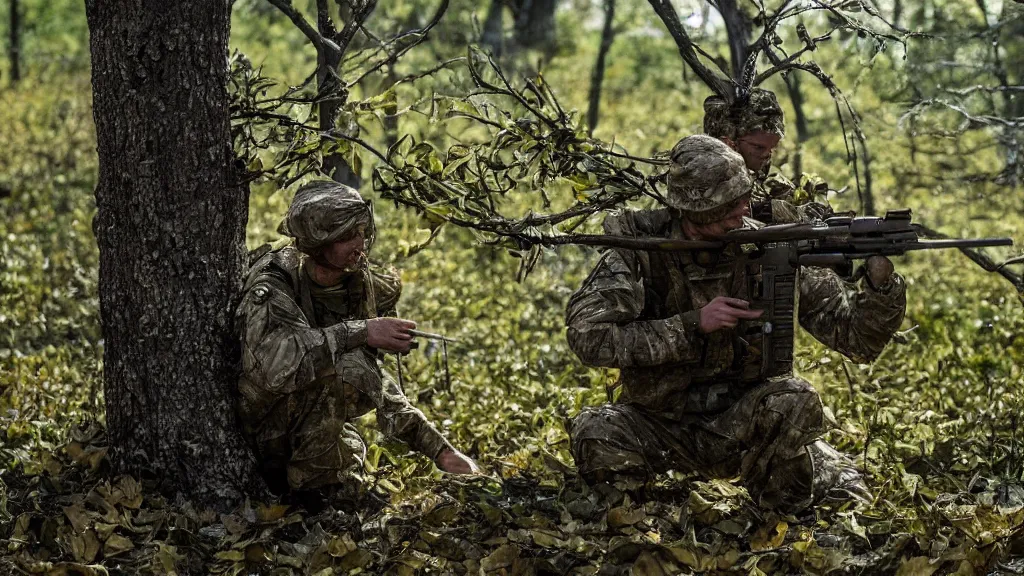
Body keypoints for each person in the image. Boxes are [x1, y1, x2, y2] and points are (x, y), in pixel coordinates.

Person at [566, 135, 906, 512]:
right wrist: (692, 324)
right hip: (660, 422)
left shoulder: (773, 240)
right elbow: (588, 336)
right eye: (728, 204)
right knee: (595, 429)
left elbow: (854, 337)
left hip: (747, 424)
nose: (742, 209)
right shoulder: (643, 249)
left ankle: (780, 519)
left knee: (803, 413)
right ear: (692, 209)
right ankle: (651, 510)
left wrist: (880, 285)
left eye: (744, 196)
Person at [236, 180, 478, 501]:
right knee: (337, 372)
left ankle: (318, 486)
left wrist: (440, 451)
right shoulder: (274, 284)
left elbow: (369, 374)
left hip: (301, 420)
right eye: (348, 236)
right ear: (316, 244)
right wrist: (361, 330)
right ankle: (311, 499)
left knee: (351, 450)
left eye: (362, 231)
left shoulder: (351, 280)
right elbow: (279, 365)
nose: (360, 243)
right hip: (260, 425)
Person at [703, 88, 832, 224]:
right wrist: (770, 211)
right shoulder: (704, 173)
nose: (766, 155)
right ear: (729, 142)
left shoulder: (761, 177)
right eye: (758, 147)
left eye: (772, 148)